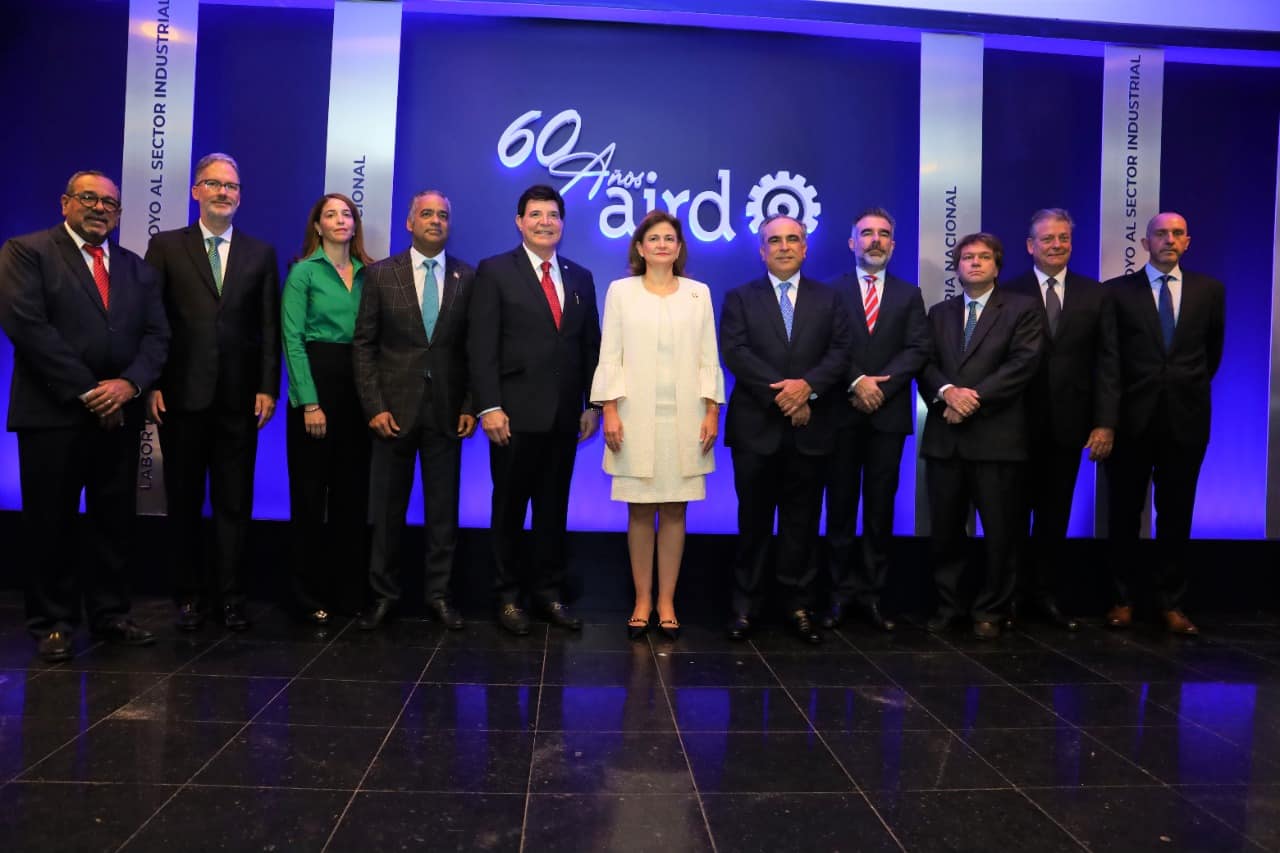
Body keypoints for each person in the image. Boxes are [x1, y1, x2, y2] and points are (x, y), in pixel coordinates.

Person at [0, 170, 170, 661]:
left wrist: (127, 386)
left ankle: (111, 614)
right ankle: (51, 623)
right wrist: (88, 391)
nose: (100, 208)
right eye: (89, 198)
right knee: (49, 522)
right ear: (65, 203)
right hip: (52, 414)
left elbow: (158, 337)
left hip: (120, 415)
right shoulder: (26, 251)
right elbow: (27, 326)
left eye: (110, 204)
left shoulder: (137, 269)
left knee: (114, 522)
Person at [145, 153, 281, 632]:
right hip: (181, 397)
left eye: (232, 186)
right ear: (195, 191)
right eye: (214, 184)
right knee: (182, 501)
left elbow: (268, 325)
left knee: (234, 503)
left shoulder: (260, 253)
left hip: (240, 401)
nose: (225, 192)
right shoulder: (165, 247)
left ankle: (230, 597)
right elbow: (152, 321)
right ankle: (187, 595)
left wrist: (268, 386)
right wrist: (153, 383)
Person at [469, 184, 601, 636]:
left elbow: (589, 347)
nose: (546, 221)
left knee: (552, 510)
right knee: (508, 510)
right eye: (536, 214)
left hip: (565, 418)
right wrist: (489, 406)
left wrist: (592, 405)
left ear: (563, 223)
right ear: (519, 221)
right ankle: (507, 597)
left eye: (553, 214)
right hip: (512, 416)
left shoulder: (580, 277)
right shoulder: (494, 271)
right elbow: (481, 345)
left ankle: (547, 594)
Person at [590, 211, 724, 641]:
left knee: (675, 510)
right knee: (641, 510)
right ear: (640, 247)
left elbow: (709, 357)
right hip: (632, 416)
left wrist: (711, 411)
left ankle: (667, 601)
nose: (663, 244)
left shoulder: (698, 294)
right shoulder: (621, 292)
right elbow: (610, 355)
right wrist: (609, 409)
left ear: (679, 248)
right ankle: (642, 600)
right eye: (654, 238)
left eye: (670, 238)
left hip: (686, 419)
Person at [720, 214, 852, 645]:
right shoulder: (739, 297)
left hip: (812, 428)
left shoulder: (829, 299)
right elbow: (735, 352)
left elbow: (840, 352)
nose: (783, 246)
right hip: (757, 428)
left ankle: (798, 606)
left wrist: (807, 389)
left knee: (802, 523)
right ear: (761, 250)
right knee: (753, 523)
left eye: (792, 239)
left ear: (805, 247)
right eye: (774, 240)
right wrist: (785, 396)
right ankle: (745, 607)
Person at [353, 190, 476, 631]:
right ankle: (384, 596)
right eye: (427, 214)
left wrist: (470, 406)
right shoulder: (381, 275)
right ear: (409, 223)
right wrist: (374, 406)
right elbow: (364, 346)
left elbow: (473, 350)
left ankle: (439, 596)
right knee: (386, 511)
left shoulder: (468, 276)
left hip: (447, 413)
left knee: (443, 512)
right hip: (392, 413)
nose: (436, 221)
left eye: (443, 215)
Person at [1103, 212, 1224, 636]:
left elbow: (1211, 354)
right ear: (1145, 241)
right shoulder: (1116, 293)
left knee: (1176, 514)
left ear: (1187, 242)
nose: (1168, 240)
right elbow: (1110, 362)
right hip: (1130, 422)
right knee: (1123, 513)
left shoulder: (1210, 290)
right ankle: (1122, 599)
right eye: (1160, 234)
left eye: (1176, 234)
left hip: (1186, 420)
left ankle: (1170, 603)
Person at [918, 232, 1042, 640]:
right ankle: (948, 605)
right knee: (946, 531)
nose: (974, 263)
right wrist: (946, 393)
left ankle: (991, 608)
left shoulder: (1022, 309)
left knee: (1000, 532)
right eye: (967, 257)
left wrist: (973, 398)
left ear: (997, 265)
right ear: (957, 267)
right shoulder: (939, 313)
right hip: (945, 436)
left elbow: (1023, 364)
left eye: (983, 257)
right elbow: (926, 363)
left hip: (997, 439)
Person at [1002, 208, 1119, 631]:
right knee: (1011, 516)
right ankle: (1009, 597)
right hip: (1013, 424)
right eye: (1047, 239)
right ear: (1030, 245)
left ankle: (1044, 595)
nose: (1056, 245)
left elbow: (1108, 363)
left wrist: (1105, 422)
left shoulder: (1095, 294)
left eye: (1063, 238)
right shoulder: (1007, 290)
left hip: (1069, 426)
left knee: (1054, 516)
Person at [819, 207, 930, 632]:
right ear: (852, 242)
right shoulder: (830, 292)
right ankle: (838, 595)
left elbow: (918, 349)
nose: (875, 241)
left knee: (881, 509)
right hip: (841, 414)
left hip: (888, 413)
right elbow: (827, 347)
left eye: (884, 234)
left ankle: (873, 596)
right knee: (841, 507)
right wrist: (857, 381)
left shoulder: (909, 294)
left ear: (894, 244)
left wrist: (881, 385)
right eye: (866, 233)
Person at [280, 193, 374, 626]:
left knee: (352, 500)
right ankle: (305, 593)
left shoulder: (369, 273)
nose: (340, 220)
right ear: (317, 226)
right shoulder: (303, 272)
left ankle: (348, 594)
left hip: (359, 392)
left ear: (355, 225)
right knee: (309, 497)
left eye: (347, 214)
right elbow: (293, 340)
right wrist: (309, 402)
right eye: (331, 214)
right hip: (317, 388)